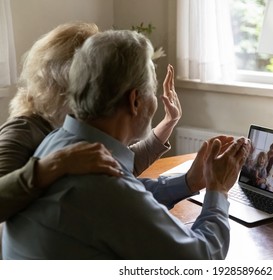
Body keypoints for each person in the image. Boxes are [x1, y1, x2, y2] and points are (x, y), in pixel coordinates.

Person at [2, 29, 250, 259]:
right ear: (135, 101)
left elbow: (126, 195)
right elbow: (200, 259)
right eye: (152, 92)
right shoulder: (106, 188)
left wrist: (189, 182)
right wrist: (218, 190)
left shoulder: (58, 142)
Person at [0, 23, 181, 257]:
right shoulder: (24, 128)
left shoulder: (79, 124)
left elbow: (109, 166)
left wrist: (165, 126)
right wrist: (53, 165)